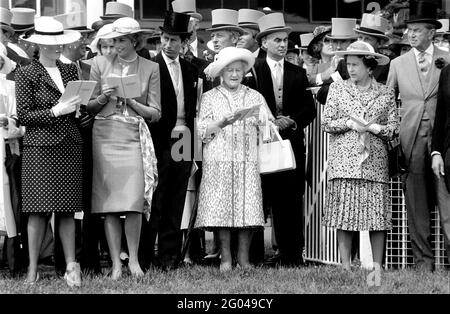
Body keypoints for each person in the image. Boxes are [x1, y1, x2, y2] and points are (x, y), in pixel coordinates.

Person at [87, 17, 160, 280]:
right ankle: (117, 264)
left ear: (134, 41)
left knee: (133, 202)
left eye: (121, 40)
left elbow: (156, 113)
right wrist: (104, 96)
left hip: (133, 134)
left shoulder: (151, 67)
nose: (116, 44)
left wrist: (133, 103)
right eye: (113, 40)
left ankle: (135, 261)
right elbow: (88, 107)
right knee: (109, 204)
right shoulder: (98, 63)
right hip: (105, 134)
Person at [15, 16, 83, 286]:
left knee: (67, 211)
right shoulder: (26, 72)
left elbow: (76, 109)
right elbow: (23, 115)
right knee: (38, 210)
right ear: (39, 45)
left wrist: (78, 107)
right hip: (39, 147)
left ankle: (70, 266)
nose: (58, 47)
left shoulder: (70, 71)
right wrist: (55, 110)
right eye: (52, 44)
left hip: (69, 144)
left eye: (60, 43)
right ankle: (32, 269)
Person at [322, 41, 399, 271]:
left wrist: (376, 129)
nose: (351, 69)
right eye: (348, 64)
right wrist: (347, 123)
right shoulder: (337, 89)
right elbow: (326, 122)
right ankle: (345, 266)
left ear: (369, 67)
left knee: (377, 218)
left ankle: (376, 267)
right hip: (344, 161)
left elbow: (394, 127)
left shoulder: (385, 92)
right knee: (344, 215)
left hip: (375, 161)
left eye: (356, 64)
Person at [387, 0, 450, 272]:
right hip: (410, 138)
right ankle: (423, 264)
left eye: (417, 30)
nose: (411, 35)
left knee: (446, 199)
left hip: (443, 139)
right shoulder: (398, 63)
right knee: (417, 205)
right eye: (409, 30)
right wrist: (391, 135)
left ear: (431, 33)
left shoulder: (447, 58)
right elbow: (389, 102)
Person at [195, 46, 270, 272]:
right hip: (218, 159)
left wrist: (262, 120)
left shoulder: (254, 96)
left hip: (247, 160)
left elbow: (270, 128)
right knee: (221, 210)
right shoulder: (208, 97)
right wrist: (221, 123)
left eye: (238, 70)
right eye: (230, 70)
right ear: (221, 73)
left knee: (247, 209)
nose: (235, 74)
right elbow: (200, 131)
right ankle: (226, 258)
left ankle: (244, 258)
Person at [251, 13, 316, 267]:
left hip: (290, 145)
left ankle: (291, 256)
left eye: (285, 40)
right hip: (260, 143)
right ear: (264, 42)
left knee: (289, 202)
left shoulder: (297, 73)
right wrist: (268, 123)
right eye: (277, 40)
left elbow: (309, 109)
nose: (282, 44)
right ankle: (254, 257)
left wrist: (292, 121)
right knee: (258, 200)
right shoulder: (252, 69)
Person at [148, 11, 198, 270]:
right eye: (165, 39)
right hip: (160, 136)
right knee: (157, 195)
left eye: (174, 41)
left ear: (184, 43)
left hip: (184, 136)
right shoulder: (151, 65)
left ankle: (169, 256)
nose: (168, 45)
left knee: (178, 195)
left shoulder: (190, 68)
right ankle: (147, 254)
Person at [430, 63, 450, 266]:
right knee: (448, 213)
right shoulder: (447, 72)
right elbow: (441, 113)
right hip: (447, 150)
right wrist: (436, 152)